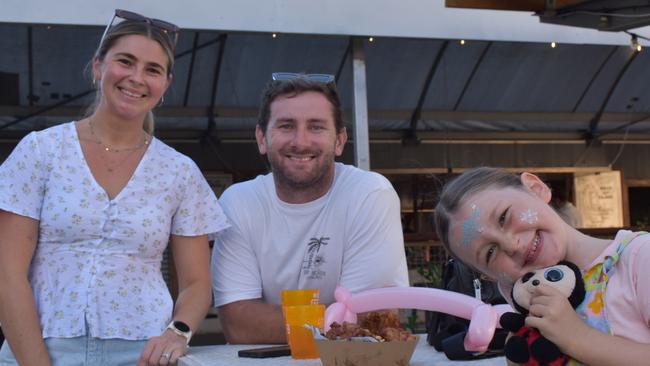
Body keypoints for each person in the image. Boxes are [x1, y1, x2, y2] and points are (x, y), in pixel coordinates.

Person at [0, 9, 229, 366]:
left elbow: (197, 283)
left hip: (141, 354)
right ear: (98, 67)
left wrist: (177, 331)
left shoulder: (180, 171)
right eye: (126, 61)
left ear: (165, 85)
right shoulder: (40, 151)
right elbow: (7, 272)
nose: (137, 78)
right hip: (40, 346)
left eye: (152, 70)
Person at [210, 72, 409, 344]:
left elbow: (370, 318)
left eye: (316, 127)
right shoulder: (238, 203)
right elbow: (239, 324)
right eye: (286, 126)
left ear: (339, 141)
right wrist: (336, 321)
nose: (300, 142)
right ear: (261, 138)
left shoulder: (370, 194)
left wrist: (277, 321)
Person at [434, 167, 650, 365]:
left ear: (536, 189)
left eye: (503, 217)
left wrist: (578, 338)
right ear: (489, 276)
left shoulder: (639, 258)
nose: (511, 245)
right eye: (490, 253)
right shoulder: (527, 304)